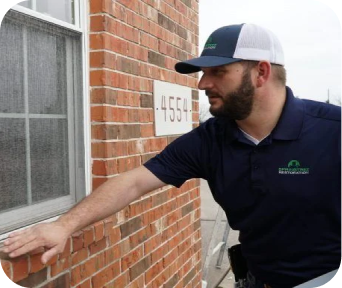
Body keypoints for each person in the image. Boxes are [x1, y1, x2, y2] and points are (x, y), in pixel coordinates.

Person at [1, 23, 341, 287]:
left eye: (217, 72)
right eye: (203, 72)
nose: (202, 84)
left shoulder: (332, 131)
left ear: (261, 73)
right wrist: (63, 226)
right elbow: (134, 182)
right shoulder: (211, 139)